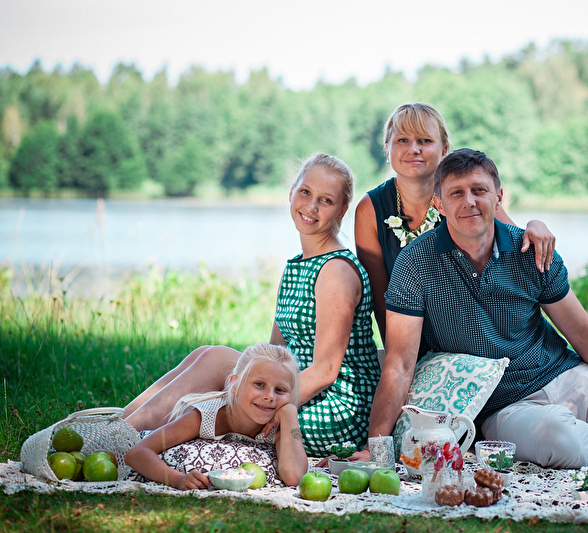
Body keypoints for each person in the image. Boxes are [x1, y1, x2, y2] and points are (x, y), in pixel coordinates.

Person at [360, 148, 588, 469]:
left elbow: (581, 331)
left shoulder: (530, 251)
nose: (469, 201)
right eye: (456, 193)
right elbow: (399, 364)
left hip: (566, 376)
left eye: (479, 190)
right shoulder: (415, 263)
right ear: (439, 205)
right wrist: (375, 448)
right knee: (568, 442)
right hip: (503, 407)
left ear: (499, 197)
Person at [123, 153, 381, 457]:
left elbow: (325, 372)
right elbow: (273, 352)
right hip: (291, 390)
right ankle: (120, 424)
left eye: (326, 201)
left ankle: (120, 440)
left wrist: (261, 403)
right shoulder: (297, 265)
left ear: (341, 209)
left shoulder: (336, 270)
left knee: (217, 360)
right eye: (305, 192)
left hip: (334, 408)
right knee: (205, 354)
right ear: (291, 192)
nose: (311, 206)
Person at [354, 102, 556, 343]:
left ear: (444, 150)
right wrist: (402, 357)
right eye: (402, 140)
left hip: (481, 337)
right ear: (387, 149)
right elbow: (380, 298)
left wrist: (535, 225)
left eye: (425, 140)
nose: (414, 149)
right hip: (411, 342)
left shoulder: (467, 198)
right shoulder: (369, 209)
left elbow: (515, 248)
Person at [125, 343, 308, 490]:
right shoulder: (205, 416)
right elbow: (136, 453)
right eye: (259, 384)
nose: (270, 396)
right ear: (234, 385)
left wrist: (290, 413)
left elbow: (294, 477)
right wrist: (177, 479)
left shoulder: (278, 424)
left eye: (280, 390)